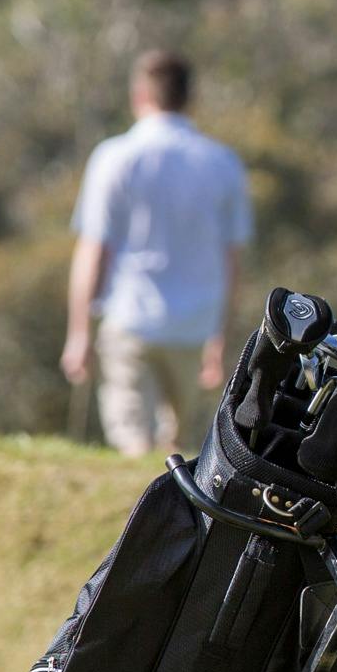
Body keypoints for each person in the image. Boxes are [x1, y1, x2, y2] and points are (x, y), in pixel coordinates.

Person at [62, 50, 253, 459]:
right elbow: (232, 261)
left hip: (129, 317)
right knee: (179, 448)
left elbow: (93, 251)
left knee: (133, 438)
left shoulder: (114, 157)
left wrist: (79, 333)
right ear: (190, 98)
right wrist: (221, 338)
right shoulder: (222, 163)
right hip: (194, 325)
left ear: (139, 95)